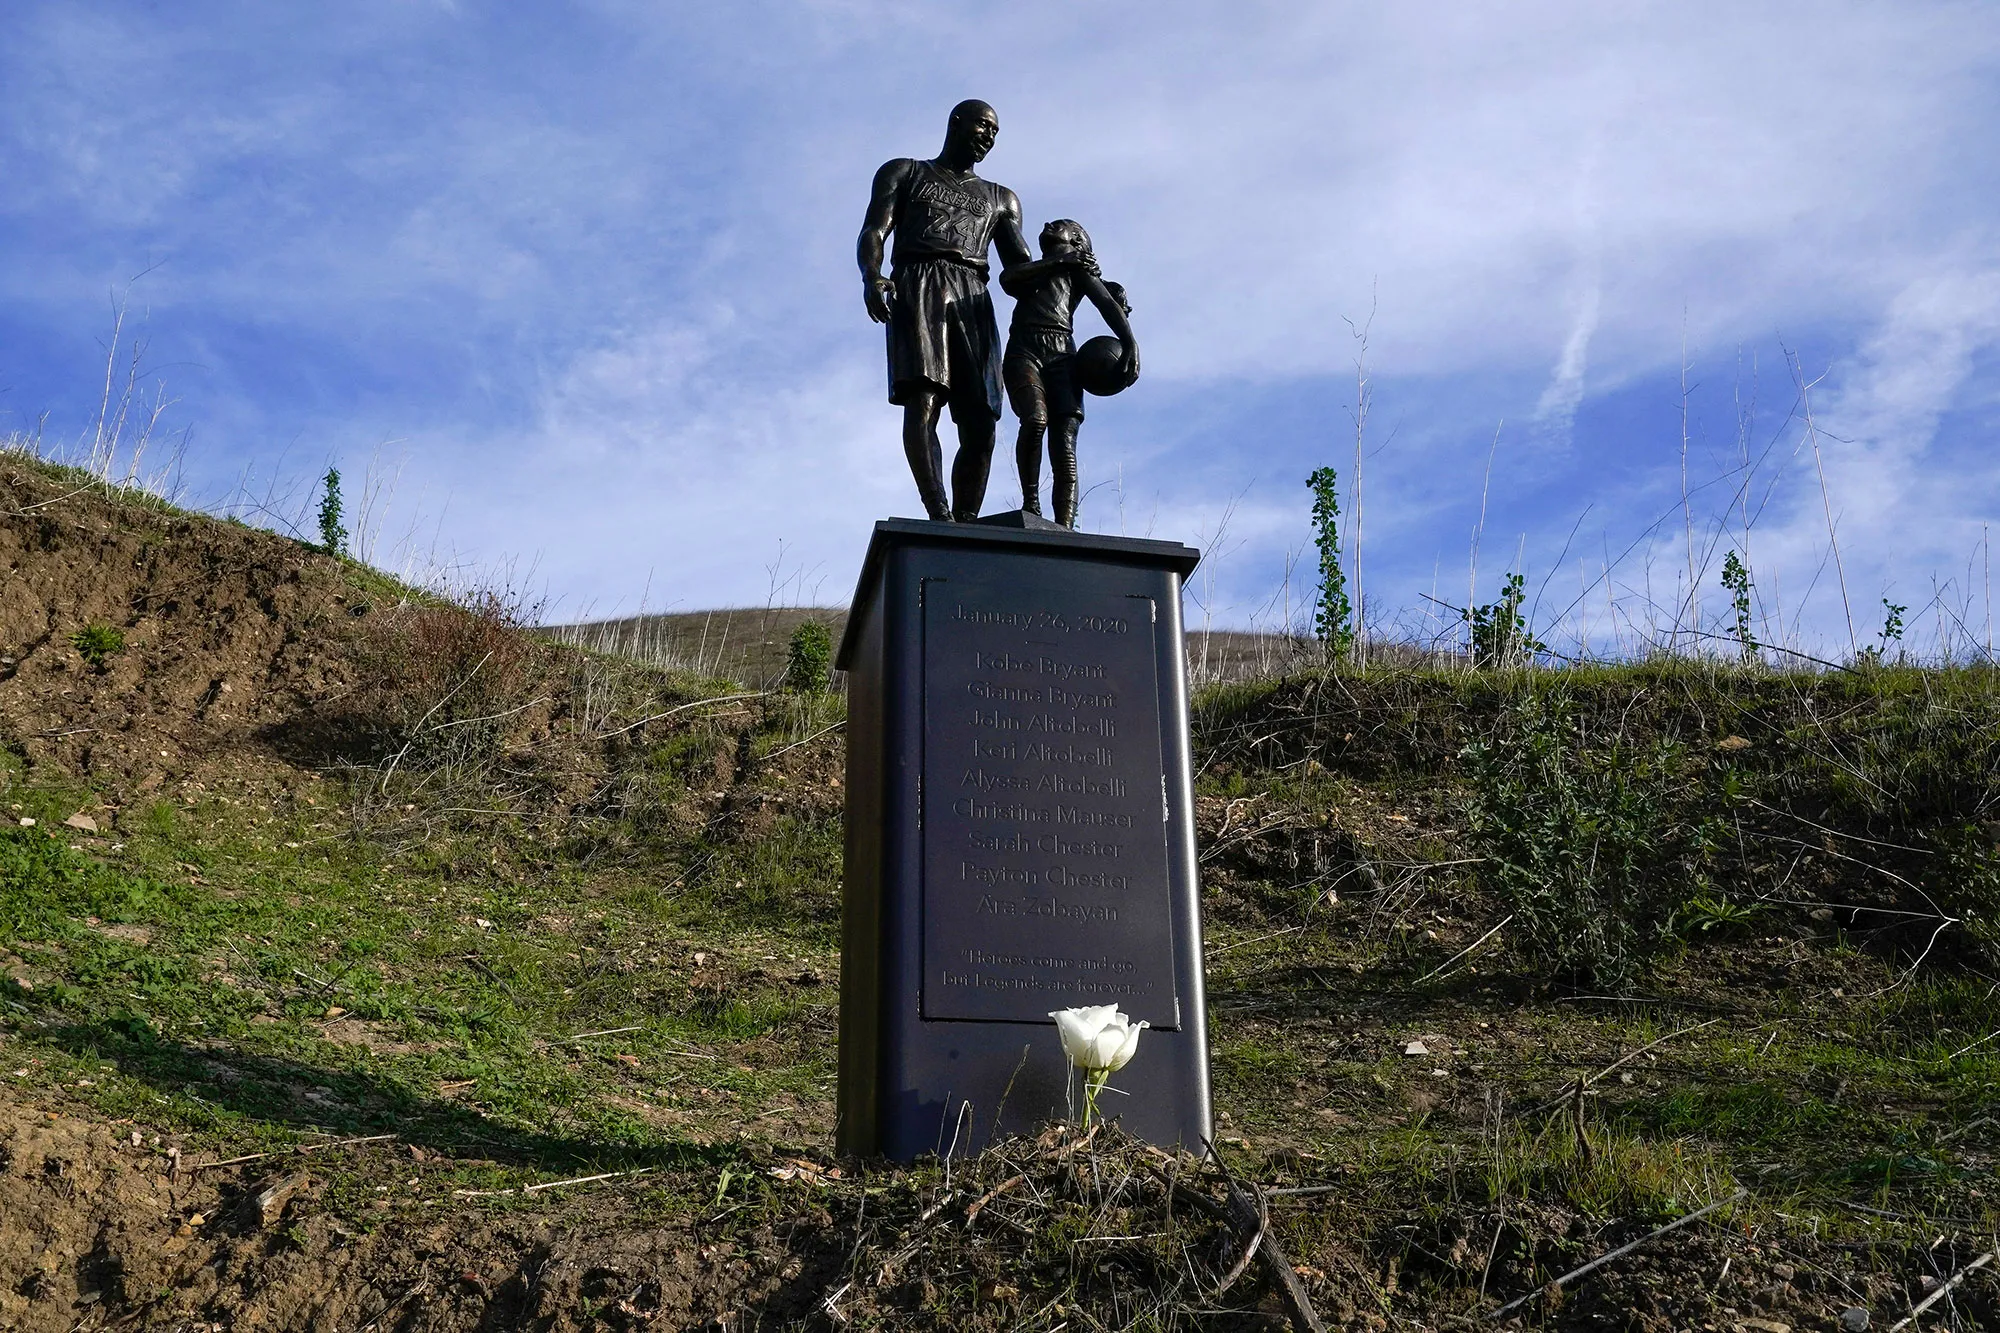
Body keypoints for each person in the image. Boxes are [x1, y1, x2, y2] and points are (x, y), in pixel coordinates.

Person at [857, 100, 1033, 522]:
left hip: (973, 292)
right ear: (957, 123)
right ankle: (938, 511)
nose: (989, 138)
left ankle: (967, 521)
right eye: (983, 127)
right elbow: (874, 230)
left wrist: (1080, 277)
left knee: (982, 418)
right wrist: (872, 274)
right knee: (924, 398)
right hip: (920, 282)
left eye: (995, 133)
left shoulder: (1001, 199)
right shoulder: (905, 171)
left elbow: (1022, 270)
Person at [998, 220, 1138, 528]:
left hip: (1062, 353)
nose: (1049, 224)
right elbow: (1008, 278)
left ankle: (1065, 524)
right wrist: (1062, 260)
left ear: (1077, 242)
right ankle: (1031, 501)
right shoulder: (1037, 268)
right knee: (1035, 420)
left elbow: (1106, 303)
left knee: (1065, 442)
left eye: (1061, 226)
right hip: (1025, 348)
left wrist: (1129, 342)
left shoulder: (1078, 272)